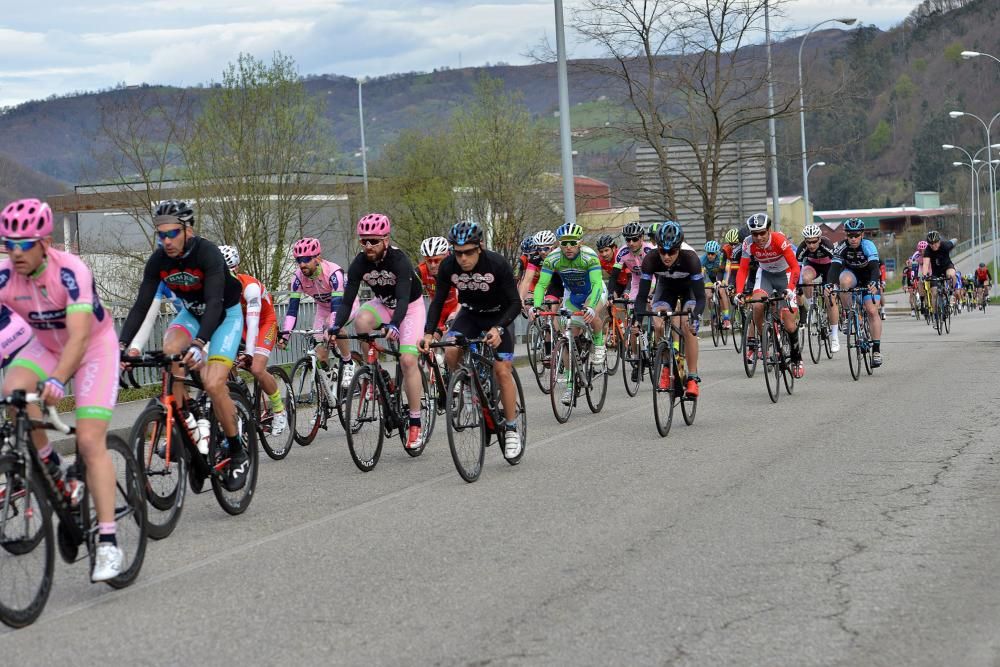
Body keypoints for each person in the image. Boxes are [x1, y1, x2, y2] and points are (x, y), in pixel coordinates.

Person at [0, 198, 124, 581]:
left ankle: (107, 541)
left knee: (89, 441)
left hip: (91, 349)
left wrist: (57, 379)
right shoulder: (6, 276)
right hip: (46, 346)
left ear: (46, 242)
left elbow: (80, 334)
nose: (15, 252)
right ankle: (51, 465)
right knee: (13, 393)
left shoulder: (70, 271)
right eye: (8, 243)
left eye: (24, 244)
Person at [119, 200, 250, 492]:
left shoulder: (208, 253)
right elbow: (141, 306)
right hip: (191, 313)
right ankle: (187, 414)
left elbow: (215, 302)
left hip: (224, 315)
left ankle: (236, 450)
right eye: (160, 235)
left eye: (172, 234)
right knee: (170, 352)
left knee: (214, 383)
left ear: (187, 229)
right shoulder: (158, 261)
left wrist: (200, 343)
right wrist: (123, 346)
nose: (165, 241)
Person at [419, 221, 523, 458]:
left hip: (500, 315)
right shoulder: (448, 266)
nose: (463, 258)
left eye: (468, 252)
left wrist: (498, 328)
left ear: (480, 248)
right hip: (470, 314)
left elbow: (516, 303)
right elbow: (437, 302)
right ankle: (466, 385)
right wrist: (427, 333)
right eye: (458, 253)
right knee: (451, 350)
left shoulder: (496, 263)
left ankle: (511, 428)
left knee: (502, 371)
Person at [329, 213, 427, 449]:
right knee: (361, 320)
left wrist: (394, 325)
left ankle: (415, 423)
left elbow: (403, 299)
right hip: (383, 304)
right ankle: (373, 371)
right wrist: (335, 326)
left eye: (373, 240)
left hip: (409, 308)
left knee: (407, 360)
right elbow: (346, 301)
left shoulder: (399, 260)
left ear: (386, 239)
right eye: (364, 241)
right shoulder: (359, 263)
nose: (368, 246)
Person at [532, 222, 608, 406]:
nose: (568, 247)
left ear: (580, 242)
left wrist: (591, 308)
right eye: (564, 243)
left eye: (572, 243)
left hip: (593, 292)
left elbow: (597, 284)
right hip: (572, 296)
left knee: (593, 313)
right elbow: (542, 285)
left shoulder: (589, 256)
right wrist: (536, 306)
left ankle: (598, 344)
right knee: (567, 338)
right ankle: (570, 385)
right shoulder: (553, 258)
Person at [218, 245, 288, 435]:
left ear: (236, 269)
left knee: (257, 368)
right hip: (240, 323)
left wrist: (249, 353)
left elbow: (254, 321)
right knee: (222, 363)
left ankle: (279, 409)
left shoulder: (250, 287)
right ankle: (238, 385)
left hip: (263, 321)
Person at [632, 221, 704, 396]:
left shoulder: (691, 259)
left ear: (679, 248)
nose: (666, 256)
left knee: (688, 325)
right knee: (657, 323)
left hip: (689, 290)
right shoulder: (650, 259)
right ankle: (665, 368)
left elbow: (701, 297)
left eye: (671, 252)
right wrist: (637, 320)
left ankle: (693, 378)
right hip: (666, 289)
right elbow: (641, 296)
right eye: (662, 251)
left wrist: (696, 317)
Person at [735, 213, 805, 378]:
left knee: (789, 325)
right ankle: (764, 339)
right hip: (765, 275)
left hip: (785, 276)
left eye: (762, 233)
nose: (758, 237)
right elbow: (743, 269)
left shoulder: (779, 240)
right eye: (755, 234)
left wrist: (790, 288)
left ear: (769, 230)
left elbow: (795, 267)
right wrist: (738, 291)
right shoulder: (747, 243)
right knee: (756, 304)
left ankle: (797, 358)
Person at [280, 238, 354, 387]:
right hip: (323, 308)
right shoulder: (298, 278)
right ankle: (330, 383)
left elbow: (337, 307)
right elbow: (292, 310)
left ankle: (348, 362)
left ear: (318, 258)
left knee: (332, 327)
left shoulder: (334, 273)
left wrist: (333, 327)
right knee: (319, 350)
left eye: (306, 259)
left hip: (346, 304)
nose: (302, 264)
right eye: (298, 260)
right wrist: (285, 335)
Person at [826, 218, 883, 367]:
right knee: (843, 282)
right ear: (846, 235)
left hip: (868, 277)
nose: (853, 239)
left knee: (871, 311)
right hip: (852, 275)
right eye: (850, 236)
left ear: (862, 234)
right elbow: (834, 268)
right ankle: (849, 315)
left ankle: (876, 350)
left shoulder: (868, 245)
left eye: (856, 235)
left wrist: (874, 282)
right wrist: (830, 284)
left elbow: (874, 268)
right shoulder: (841, 247)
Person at [795, 224, 840, 352]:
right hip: (812, 266)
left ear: (819, 239)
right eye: (808, 242)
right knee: (806, 278)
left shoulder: (828, 245)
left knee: (830, 297)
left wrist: (831, 284)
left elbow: (836, 266)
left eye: (814, 241)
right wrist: (797, 285)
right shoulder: (802, 249)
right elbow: (797, 270)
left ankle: (835, 337)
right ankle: (811, 308)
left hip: (829, 268)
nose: (811, 245)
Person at [417, 236, 459, 337]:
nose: (432, 265)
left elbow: (465, 298)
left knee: (453, 339)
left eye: (437, 260)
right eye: (429, 260)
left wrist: (455, 315)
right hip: (438, 311)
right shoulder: (421, 271)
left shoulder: (455, 267)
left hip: (456, 308)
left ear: (447, 256)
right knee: (429, 342)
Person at [700, 240, 731, 329]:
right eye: (708, 253)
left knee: (722, 291)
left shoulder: (721, 258)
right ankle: (713, 315)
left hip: (720, 276)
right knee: (709, 295)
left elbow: (726, 271)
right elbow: (701, 274)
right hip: (709, 278)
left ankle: (726, 318)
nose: (710, 256)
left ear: (716, 253)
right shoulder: (702, 259)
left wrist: (725, 281)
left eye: (712, 254)